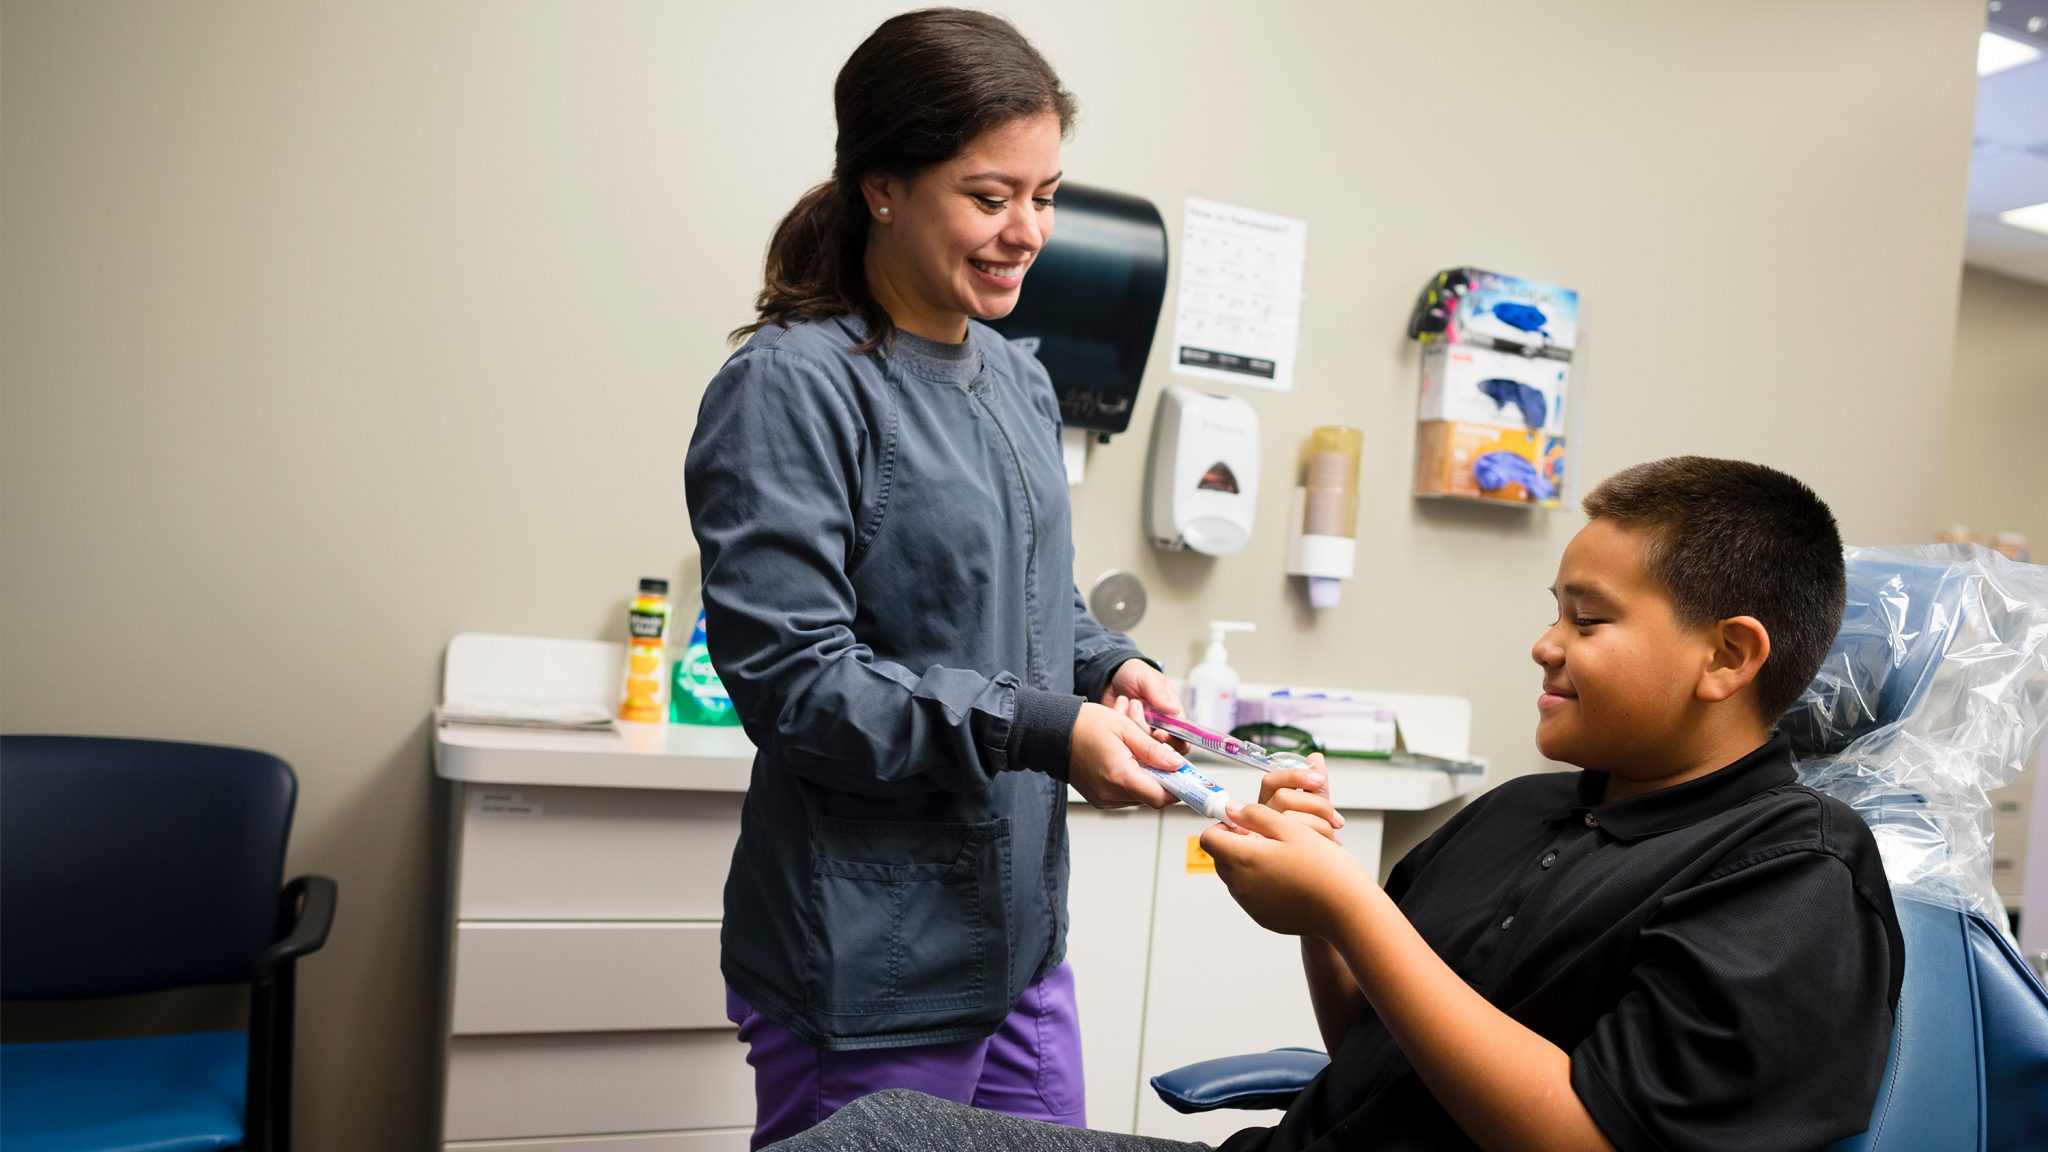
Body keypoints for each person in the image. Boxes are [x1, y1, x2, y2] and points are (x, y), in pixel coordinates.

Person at [761, 456, 1905, 1152]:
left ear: (1727, 655)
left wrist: (1350, 911)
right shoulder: (1524, 811)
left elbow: (1589, 1136)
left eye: (1588, 621)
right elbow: (1373, 1052)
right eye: (1553, 607)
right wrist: (1319, 918)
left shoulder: (1793, 870)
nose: (1543, 644)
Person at [683, 9, 1188, 1147]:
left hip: (1016, 953)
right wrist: (1048, 732)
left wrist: (1113, 668)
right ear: (881, 187)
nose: (1027, 232)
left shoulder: (1014, 379)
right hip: (873, 964)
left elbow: (1030, 597)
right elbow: (799, 688)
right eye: (989, 195)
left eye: (1045, 194)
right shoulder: (791, 388)